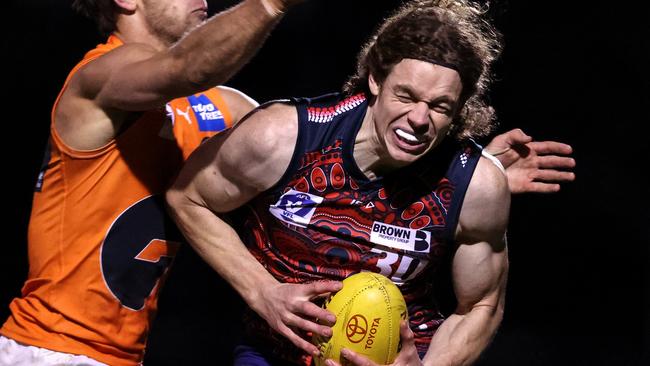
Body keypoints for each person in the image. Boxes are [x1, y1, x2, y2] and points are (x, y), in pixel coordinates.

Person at [166, 0, 574, 365]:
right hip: (274, 353)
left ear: (460, 108)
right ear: (376, 79)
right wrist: (261, 291)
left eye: (439, 106)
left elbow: (481, 304)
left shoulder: (478, 186)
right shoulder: (283, 138)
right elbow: (187, 198)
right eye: (406, 95)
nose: (418, 118)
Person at [0, 0, 304, 365]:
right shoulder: (95, 76)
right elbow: (185, 68)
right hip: (51, 347)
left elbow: (313, 145)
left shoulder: (219, 106)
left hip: (126, 356)